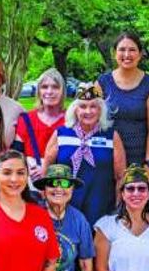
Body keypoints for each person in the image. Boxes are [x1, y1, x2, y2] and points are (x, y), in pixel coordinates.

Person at [42, 83, 127, 226]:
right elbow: (47, 170)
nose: (88, 111)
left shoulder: (111, 136)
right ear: (75, 109)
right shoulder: (62, 134)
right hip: (65, 207)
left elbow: (120, 177)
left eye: (93, 106)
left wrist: (118, 209)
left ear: (100, 110)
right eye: (83, 106)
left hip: (101, 207)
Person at [97, 32, 149, 168]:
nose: (127, 55)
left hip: (138, 158)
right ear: (115, 53)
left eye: (132, 50)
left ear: (140, 54)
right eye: (122, 49)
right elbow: (93, 122)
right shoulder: (102, 83)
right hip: (107, 156)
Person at [14, 68, 67, 180]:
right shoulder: (26, 119)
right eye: (44, 87)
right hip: (31, 180)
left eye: (55, 87)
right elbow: (16, 153)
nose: (49, 91)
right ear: (38, 91)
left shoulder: (71, 121)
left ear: (63, 91)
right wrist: (25, 164)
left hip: (60, 181)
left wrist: (46, 168)